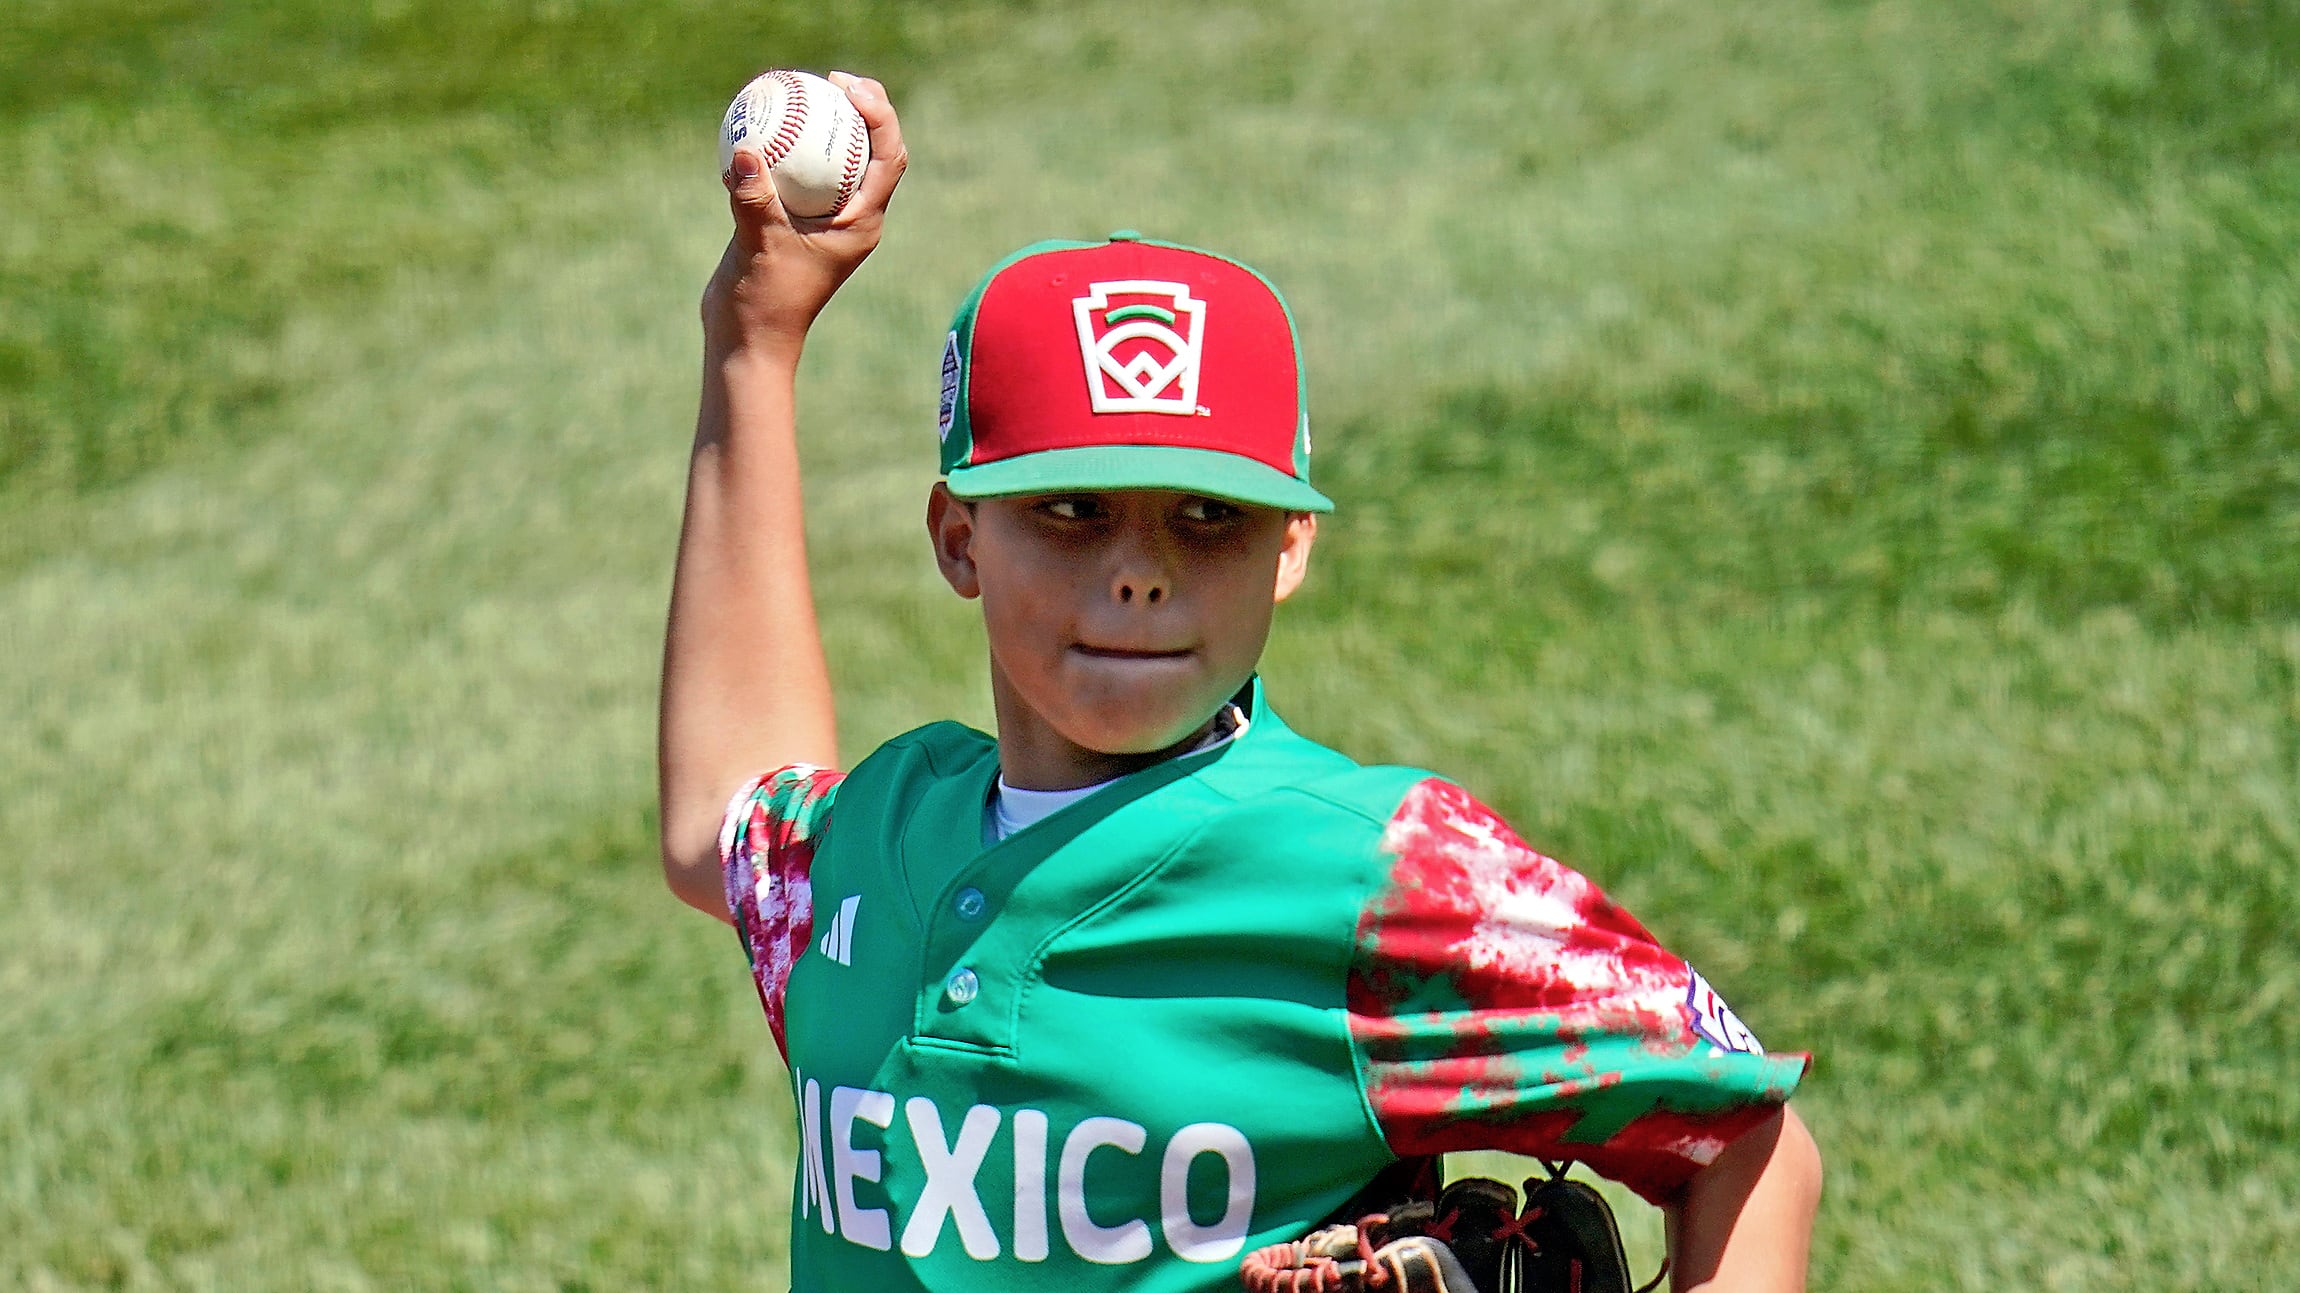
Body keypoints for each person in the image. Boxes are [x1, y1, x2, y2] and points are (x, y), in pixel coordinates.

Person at [659, 72, 1822, 1293]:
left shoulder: (1382, 877)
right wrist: (753, 340)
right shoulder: (878, 841)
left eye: (1209, 517)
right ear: (958, 539)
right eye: (1072, 509)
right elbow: (719, 819)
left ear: (1290, 549)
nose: (1140, 571)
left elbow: (1741, 1141)